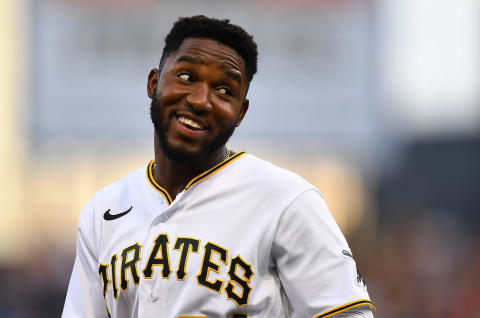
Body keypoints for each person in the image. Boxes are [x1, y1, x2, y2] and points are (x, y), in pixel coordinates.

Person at [62, 15, 375, 318]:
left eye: (224, 91)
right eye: (186, 77)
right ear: (154, 82)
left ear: (241, 112)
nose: (200, 100)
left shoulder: (287, 201)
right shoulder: (103, 210)